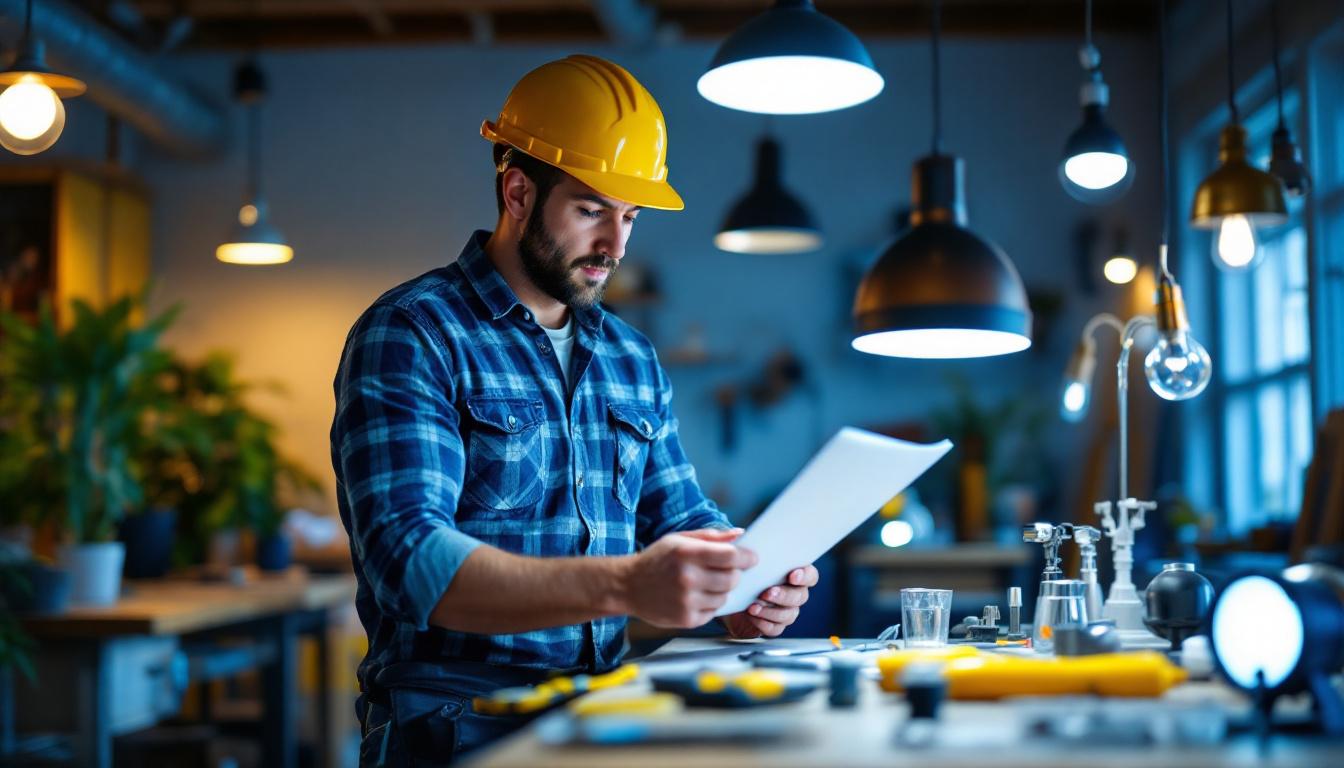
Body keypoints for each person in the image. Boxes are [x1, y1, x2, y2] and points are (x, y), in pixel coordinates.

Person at [331, 54, 818, 766]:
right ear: (519, 192)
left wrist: (740, 582)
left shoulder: (629, 356)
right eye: (591, 210)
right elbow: (411, 564)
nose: (614, 246)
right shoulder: (412, 332)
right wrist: (628, 584)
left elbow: (681, 517)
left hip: (601, 710)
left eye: (629, 217)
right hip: (453, 723)